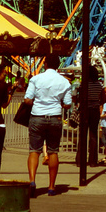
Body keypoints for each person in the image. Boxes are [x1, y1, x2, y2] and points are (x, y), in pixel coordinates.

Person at [25, 54, 72, 196]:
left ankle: (32, 181)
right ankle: (51, 186)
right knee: (53, 151)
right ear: (58, 65)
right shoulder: (65, 82)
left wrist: (38, 103)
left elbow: (27, 99)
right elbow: (68, 104)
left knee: (34, 151)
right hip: (55, 118)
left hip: (37, 116)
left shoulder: (35, 79)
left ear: (45, 64)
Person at [87, 67, 105, 166]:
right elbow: (103, 100)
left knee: (82, 135)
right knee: (93, 135)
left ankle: (79, 159)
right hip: (95, 110)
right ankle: (93, 160)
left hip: (85, 109)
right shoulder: (99, 85)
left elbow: (78, 97)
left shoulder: (85, 84)